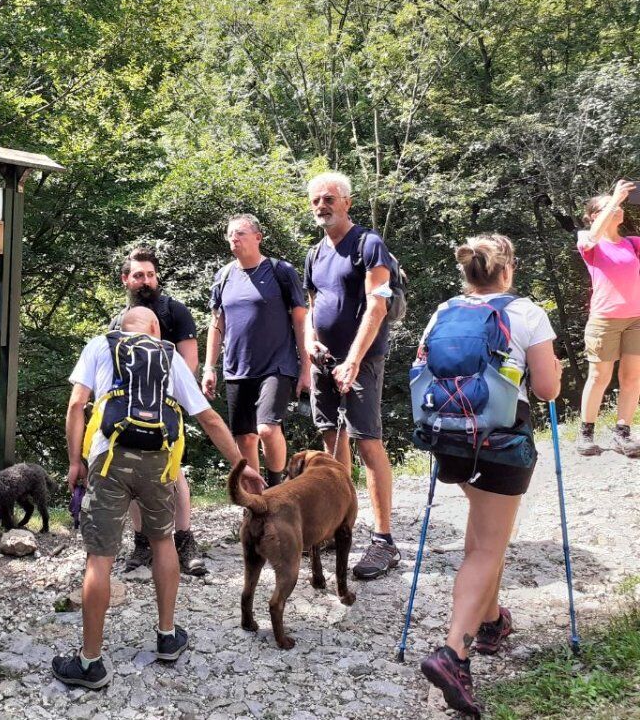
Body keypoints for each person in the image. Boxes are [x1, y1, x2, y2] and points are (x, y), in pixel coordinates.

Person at [54, 307, 264, 689]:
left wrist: (74, 461)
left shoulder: (101, 344)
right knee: (163, 541)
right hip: (159, 464)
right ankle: (167, 636)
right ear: (154, 328)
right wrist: (241, 465)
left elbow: (75, 405)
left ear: (121, 327)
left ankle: (90, 663)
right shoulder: (168, 354)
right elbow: (209, 418)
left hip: (108, 460)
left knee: (99, 557)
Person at [417, 235, 562, 716]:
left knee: (482, 533)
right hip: (501, 443)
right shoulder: (526, 313)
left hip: (452, 442)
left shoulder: (444, 310)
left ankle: (492, 621)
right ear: (508, 268)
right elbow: (546, 388)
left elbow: (422, 368)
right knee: (487, 548)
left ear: (469, 272)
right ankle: (452, 653)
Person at [303, 171, 400, 579]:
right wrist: (309, 341)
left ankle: (383, 541)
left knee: (367, 442)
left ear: (347, 202)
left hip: (363, 358)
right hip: (324, 361)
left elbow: (377, 306)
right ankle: (339, 524)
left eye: (329, 198)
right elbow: (312, 305)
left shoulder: (367, 244)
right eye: (316, 201)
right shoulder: (314, 254)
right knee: (332, 441)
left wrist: (354, 360)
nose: (322, 206)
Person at [111, 247, 206, 576]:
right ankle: (141, 542)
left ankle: (184, 539)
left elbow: (189, 363)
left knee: (174, 472)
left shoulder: (176, 312)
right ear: (126, 279)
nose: (146, 281)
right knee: (132, 476)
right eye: (138, 275)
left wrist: (178, 401)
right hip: (128, 411)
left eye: (150, 274)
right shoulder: (117, 322)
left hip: (167, 408)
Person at [203, 214, 310, 487]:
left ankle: (278, 488)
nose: (233, 239)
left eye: (240, 233)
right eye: (230, 234)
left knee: (267, 428)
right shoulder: (223, 276)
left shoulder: (280, 271)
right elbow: (217, 324)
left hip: (277, 364)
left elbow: (301, 320)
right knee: (245, 437)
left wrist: (306, 368)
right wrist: (209, 367)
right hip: (237, 368)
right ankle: (256, 501)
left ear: (258, 237)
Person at [575, 181, 640, 458]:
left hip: (636, 319)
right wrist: (614, 198)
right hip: (604, 320)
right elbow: (591, 237)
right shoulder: (589, 242)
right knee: (600, 376)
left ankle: (622, 432)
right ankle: (586, 432)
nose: (618, 208)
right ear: (593, 217)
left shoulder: (633, 244)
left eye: (620, 205)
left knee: (632, 377)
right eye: (609, 207)